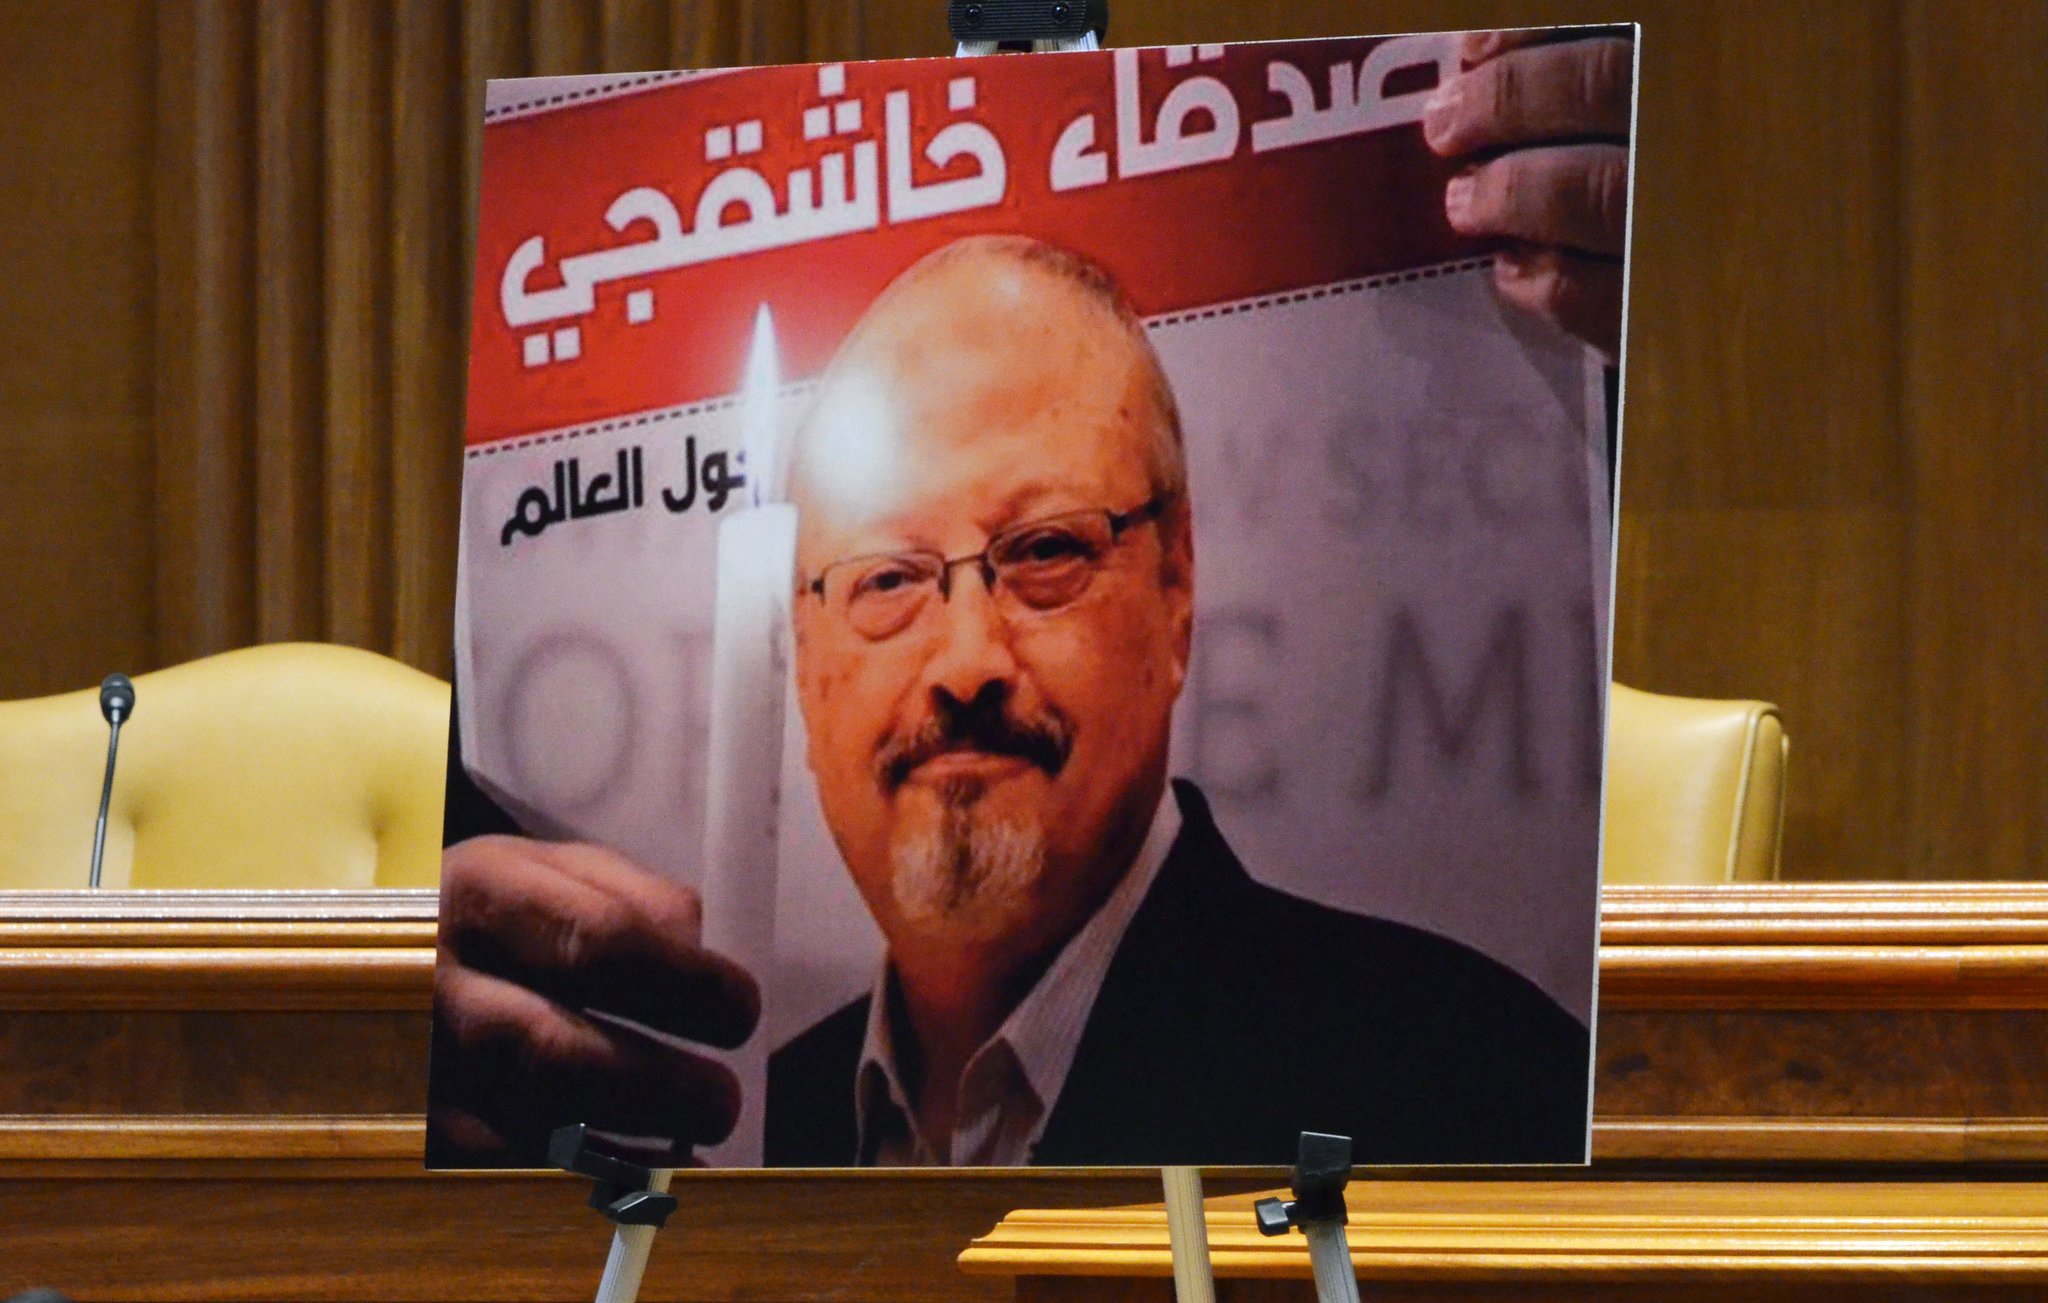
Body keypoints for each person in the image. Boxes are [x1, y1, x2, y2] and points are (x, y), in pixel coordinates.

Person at [428, 27, 1627, 1169]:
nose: (964, 661)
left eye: (1046, 550)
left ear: (1175, 588)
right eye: (887, 578)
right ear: (795, 655)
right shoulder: (690, 1128)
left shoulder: (1465, 1084)